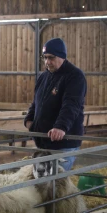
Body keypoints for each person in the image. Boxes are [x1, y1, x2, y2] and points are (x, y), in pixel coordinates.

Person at [24, 38, 87, 171]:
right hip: (43, 142)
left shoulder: (74, 76)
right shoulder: (43, 76)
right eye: (45, 58)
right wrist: (29, 119)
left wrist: (61, 126)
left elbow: (71, 104)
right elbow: (37, 101)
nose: (47, 62)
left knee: (53, 184)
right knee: (43, 184)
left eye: (51, 58)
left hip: (63, 143)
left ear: (62, 56)